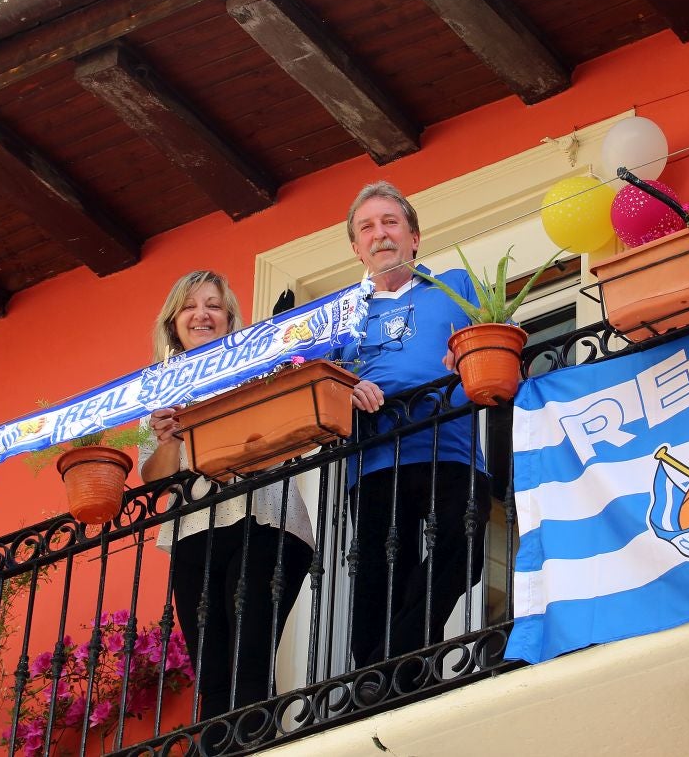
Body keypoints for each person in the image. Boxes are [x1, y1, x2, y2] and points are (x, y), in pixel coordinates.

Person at [138, 270, 315, 722]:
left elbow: (290, 430)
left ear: (230, 317)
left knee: (249, 655)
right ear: (173, 322)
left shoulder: (255, 366)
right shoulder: (157, 389)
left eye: (214, 305)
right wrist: (170, 442)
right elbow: (154, 481)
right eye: (190, 306)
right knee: (213, 673)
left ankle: (256, 746)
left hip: (265, 518)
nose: (202, 314)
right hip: (193, 532)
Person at [343, 181, 491, 673]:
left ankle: (384, 667)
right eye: (367, 227)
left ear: (414, 237)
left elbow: (498, 345)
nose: (379, 235)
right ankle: (390, 683)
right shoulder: (339, 317)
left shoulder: (456, 286)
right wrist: (343, 392)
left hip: (448, 445)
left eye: (390, 223)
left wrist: (473, 357)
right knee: (378, 578)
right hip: (373, 458)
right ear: (355, 247)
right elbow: (312, 389)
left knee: (464, 551)